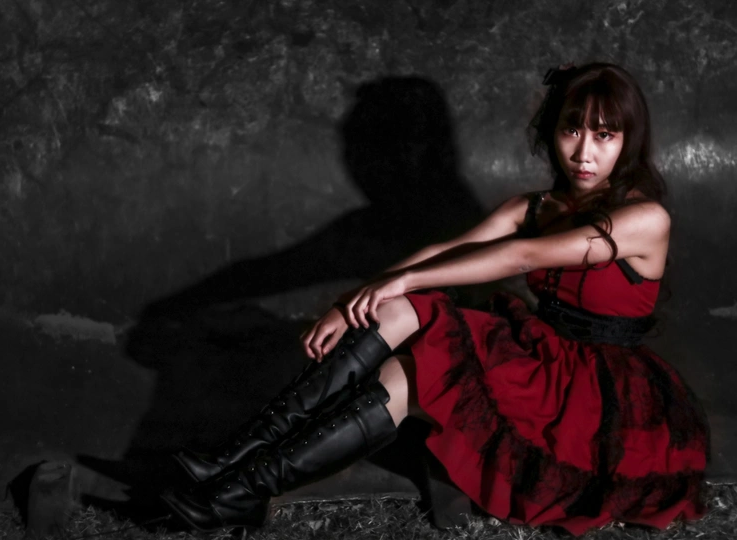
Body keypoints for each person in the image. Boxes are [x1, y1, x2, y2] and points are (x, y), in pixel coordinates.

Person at [160, 62, 709, 536]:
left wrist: (398, 282)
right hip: (541, 355)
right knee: (402, 311)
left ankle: (242, 491)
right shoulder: (537, 205)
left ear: (629, 140)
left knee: (410, 354)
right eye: (572, 130)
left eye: (605, 135)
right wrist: (358, 299)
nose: (584, 152)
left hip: (598, 390)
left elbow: (522, 257)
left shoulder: (645, 218)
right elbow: (448, 249)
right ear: (554, 131)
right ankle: (235, 464)